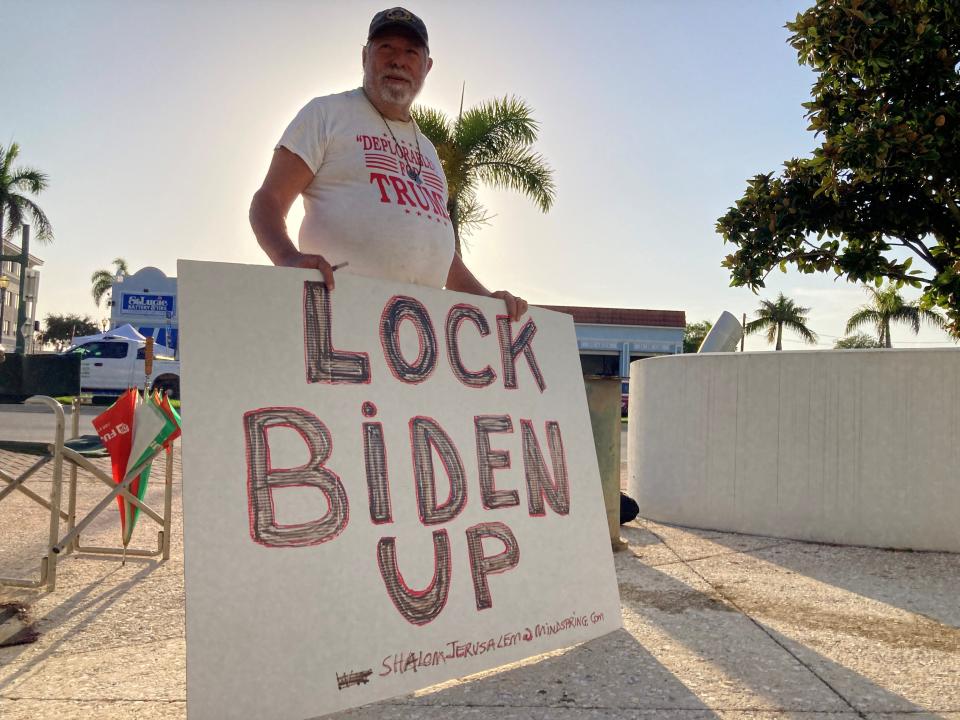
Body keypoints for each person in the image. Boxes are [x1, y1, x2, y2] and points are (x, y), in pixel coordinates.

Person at [250, 7, 528, 320]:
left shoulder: (428, 151)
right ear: (365, 56)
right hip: (338, 318)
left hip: (416, 334)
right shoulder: (326, 114)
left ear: (427, 67)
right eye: (386, 48)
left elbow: (438, 250)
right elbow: (269, 200)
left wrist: (487, 299)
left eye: (411, 52)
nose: (398, 60)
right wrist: (287, 258)